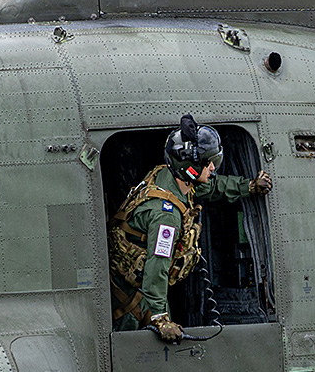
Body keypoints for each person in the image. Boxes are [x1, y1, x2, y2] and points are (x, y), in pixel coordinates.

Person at [108, 115, 272, 342]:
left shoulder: (170, 177)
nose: (213, 168)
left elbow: (213, 187)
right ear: (191, 169)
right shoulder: (166, 217)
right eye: (208, 163)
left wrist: (249, 186)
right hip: (136, 297)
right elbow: (157, 264)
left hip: (138, 286)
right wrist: (160, 318)